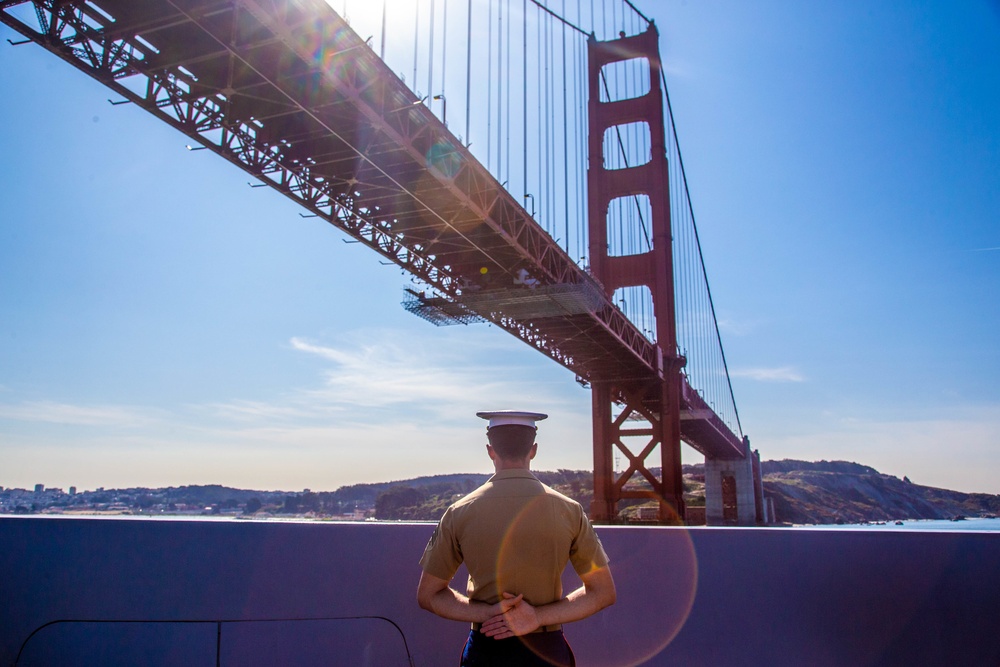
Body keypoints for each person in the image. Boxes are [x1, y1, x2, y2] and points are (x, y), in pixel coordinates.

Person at [417, 410, 616, 666]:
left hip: (486, 648)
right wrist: (537, 618)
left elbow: (428, 595)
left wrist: (488, 613)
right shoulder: (570, 510)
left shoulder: (458, 512)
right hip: (547, 651)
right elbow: (603, 593)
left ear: (490, 450)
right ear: (533, 450)